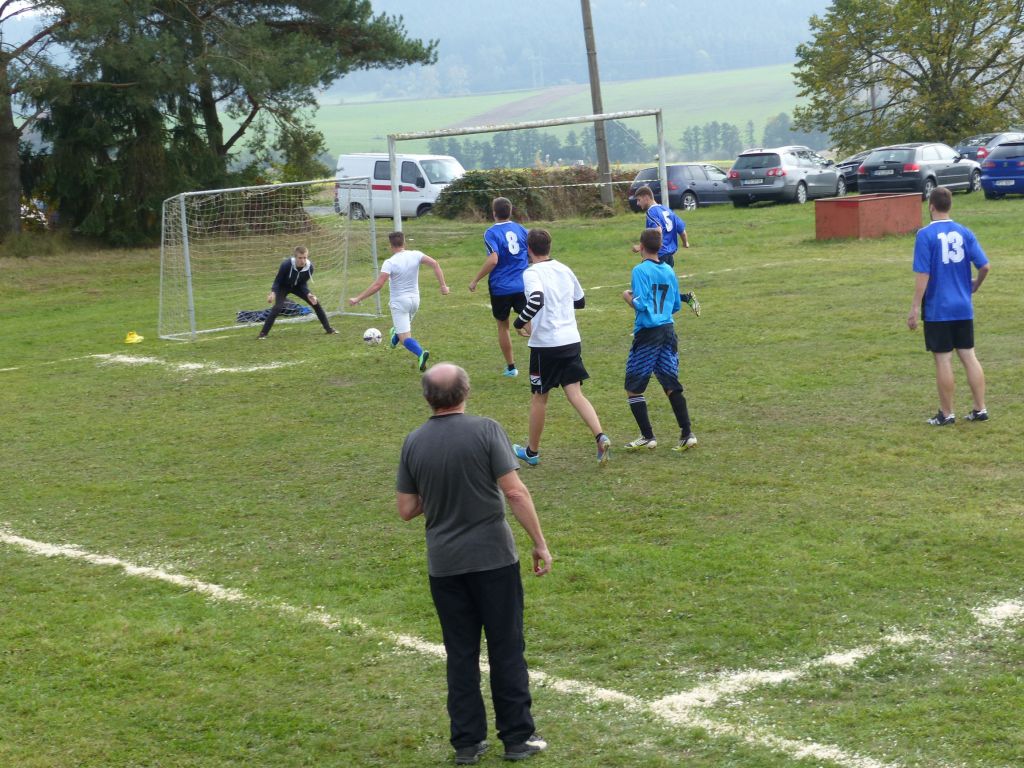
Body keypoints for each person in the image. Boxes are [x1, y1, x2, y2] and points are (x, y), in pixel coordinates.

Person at [396, 363, 551, 764]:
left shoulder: (413, 441)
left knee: (461, 653)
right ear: (466, 392)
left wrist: (440, 490)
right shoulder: (486, 430)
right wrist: (539, 543)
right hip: (493, 560)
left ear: (427, 398)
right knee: (506, 648)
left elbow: (407, 509)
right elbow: (515, 493)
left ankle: (466, 743)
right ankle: (517, 738)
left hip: (445, 565)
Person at [511, 228, 611, 465]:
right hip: (570, 340)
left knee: (539, 397)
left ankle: (532, 452)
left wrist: (519, 322)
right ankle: (601, 436)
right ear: (549, 247)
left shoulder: (531, 272)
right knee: (575, 393)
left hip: (545, 345)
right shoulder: (564, 269)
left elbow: (536, 299)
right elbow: (580, 301)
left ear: (528, 249)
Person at [907, 186, 990, 425]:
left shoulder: (925, 235)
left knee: (943, 360)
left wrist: (915, 307)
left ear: (931, 206)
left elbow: (923, 274)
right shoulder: (964, 232)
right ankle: (980, 409)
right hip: (963, 306)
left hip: (938, 308)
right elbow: (985, 266)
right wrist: (975, 285)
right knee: (969, 356)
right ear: (950, 205)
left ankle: (947, 413)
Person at [622, 228, 698, 452]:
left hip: (648, 333)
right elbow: (675, 305)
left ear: (641, 246)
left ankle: (648, 436)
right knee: (670, 383)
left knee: (633, 387)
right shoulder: (668, 270)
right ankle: (687, 433)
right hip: (668, 331)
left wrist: (627, 297)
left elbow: (642, 304)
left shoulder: (639, 270)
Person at [349, 231, 449, 372]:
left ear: (390, 246)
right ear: (404, 243)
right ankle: (394, 336)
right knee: (401, 329)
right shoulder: (416, 254)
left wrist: (358, 298)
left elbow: (378, 285)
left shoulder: (390, 262)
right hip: (415, 302)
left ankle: (421, 353)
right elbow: (435, 264)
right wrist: (443, 286)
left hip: (400, 304)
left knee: (405, 338)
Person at [469, 197, 530, 378]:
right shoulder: (521, 229)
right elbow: (531, 254)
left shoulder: (491, 232)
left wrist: (475, 280)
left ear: (494, 213)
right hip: (522, 284)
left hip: (500, 288)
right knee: (529, 320)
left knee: (503, 326)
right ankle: (547, 353)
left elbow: (493, 259)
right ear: (510, 211)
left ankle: (511, 368)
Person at [631, 185, 701, 316]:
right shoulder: (667, 210)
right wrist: (685, 242)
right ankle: (685, 299)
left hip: (657, 257)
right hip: (669, 257)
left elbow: (657, 231)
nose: (638, 203)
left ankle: (650, 317)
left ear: (646, 198)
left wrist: (640, 247)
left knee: (648, 286)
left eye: (639, 200)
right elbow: (682, 230)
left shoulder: (651, 212)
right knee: (663, 289)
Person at [257, 245, 338, 338]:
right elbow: (277, 281)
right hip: (283, 287)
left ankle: (329, 329)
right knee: (277, 308)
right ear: (295, 257)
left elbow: (303, 283)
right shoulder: (286, 265)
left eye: (305, 257)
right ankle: (263, 334)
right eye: (300, 258)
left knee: (316, 303)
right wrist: (273, 293)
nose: (302, 260)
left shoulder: (310, 267)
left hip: (298, 287)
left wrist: (308, 294)